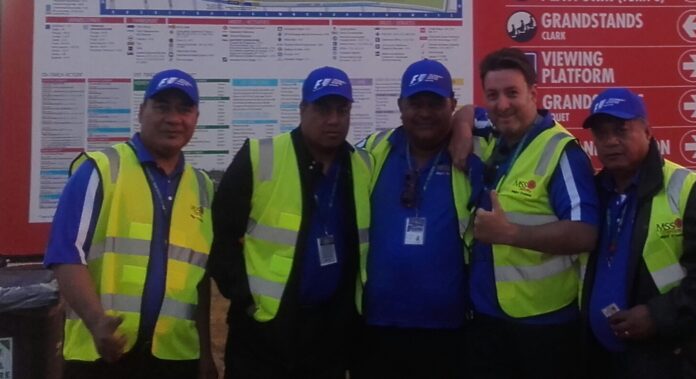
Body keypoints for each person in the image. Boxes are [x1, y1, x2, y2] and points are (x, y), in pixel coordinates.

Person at [44, 69, 217, 379]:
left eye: (184, 109)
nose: (173, 118)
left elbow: (199, 281)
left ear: (196, 117)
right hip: (104, 354)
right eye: (162, 107)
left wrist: (205, 353)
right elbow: (65, 254)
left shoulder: (203, 187)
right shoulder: (100, 170)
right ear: (141, 111)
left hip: (175, 357)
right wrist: (97, 322)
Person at [209, 66, 371, 378]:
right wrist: (245, 297)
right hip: (264, 335)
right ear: (302, 109)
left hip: (329, 337)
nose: (334, 119)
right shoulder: (260, 157)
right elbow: (220, 235)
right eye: (323, 109)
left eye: (342, 109)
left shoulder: (362, 165)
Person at [580, 88, 696, 379]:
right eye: (601, 134)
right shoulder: (596, 194)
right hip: (614, 361)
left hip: (685, 359)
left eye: (621, 130)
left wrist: (657, 316)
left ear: (647, 131)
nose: (610, 142)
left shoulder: (690, 190)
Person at [453, 47, 600, 378]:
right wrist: (462, 127)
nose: (502, 104)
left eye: (512, 93)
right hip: (487, 318)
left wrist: (510, 235)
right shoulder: (492, 135)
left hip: (543, 324)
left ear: (534, 94)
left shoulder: (561, 151)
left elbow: (585, 232)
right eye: (493, 95)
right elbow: (464, 111)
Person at [356, 59, 484, 378]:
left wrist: (466, 121)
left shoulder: (473, 152)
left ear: (451, 105)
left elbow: (516, 118)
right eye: (416, 103)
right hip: (376, 328)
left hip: (450, 331)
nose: (424, 113)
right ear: (401, 105)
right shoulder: (373, 151)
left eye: (435, 103)